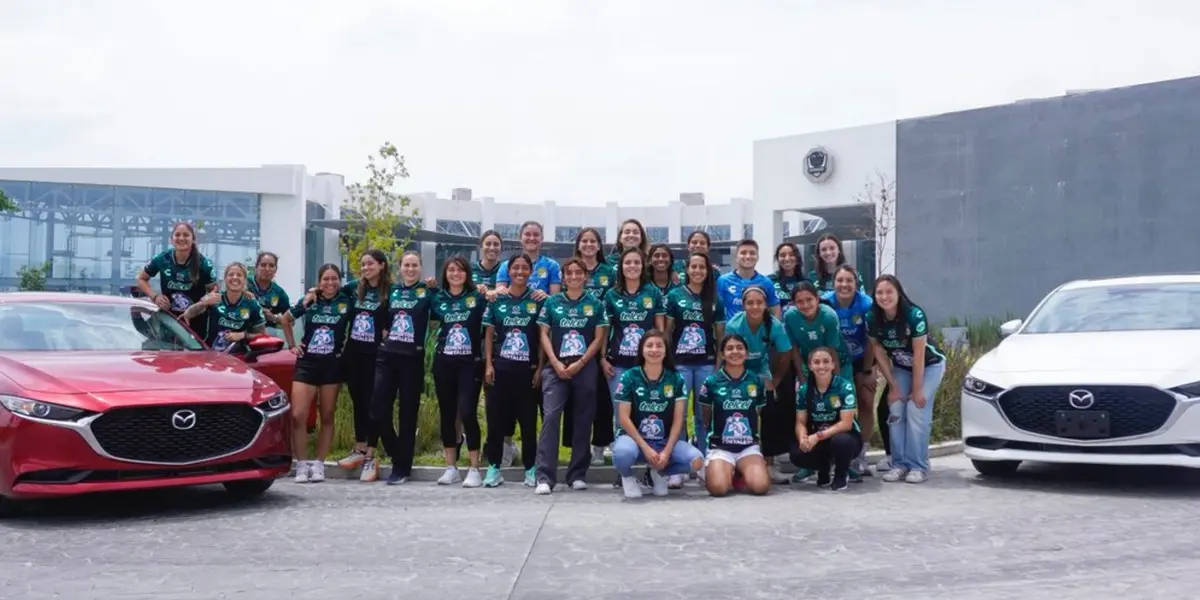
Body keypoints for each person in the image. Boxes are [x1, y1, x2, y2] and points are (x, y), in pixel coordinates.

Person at [303, 249, 392, 483]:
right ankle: (360, 448)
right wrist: (313, 291)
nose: (365, 268)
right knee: (358, 402)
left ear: (382, 265)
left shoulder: (390, 290)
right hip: (354, 353)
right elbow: (329, 290)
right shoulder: (354, 287)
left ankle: (372, 455)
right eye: (362, 265)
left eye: (370, 264)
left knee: (374, 403)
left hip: (377, 355)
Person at [535, 258, 607, 494]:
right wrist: (554, 362)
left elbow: (599, 337)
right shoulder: (553, 302)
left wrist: (582, 362)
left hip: (584, 367)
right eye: (570, 273)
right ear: (564, 278)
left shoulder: (595, 304)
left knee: (583, 419)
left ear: (585, 276)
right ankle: (545, 476)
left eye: (579, 272)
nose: (574, 276)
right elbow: (544, 334)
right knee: (551, 416)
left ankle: (577, 474)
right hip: (556, 368)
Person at [867, 275, 946, 484]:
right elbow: (878, 351)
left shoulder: (914, 314)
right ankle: (899, 463)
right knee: (895, 407)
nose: (884, 297)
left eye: (889, 291)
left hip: (929, 366)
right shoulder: (873, 317)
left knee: (916, 408)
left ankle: (919, 465)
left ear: (899, 293)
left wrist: (917, 389)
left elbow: (919, 355)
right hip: (901, 367)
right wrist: (892, 387)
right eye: (879, 293)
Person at [280, 264, 353, 483]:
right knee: (298, 415)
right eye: (325, 279)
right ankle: (302, 464)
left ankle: (319, 463)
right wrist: (292, 344)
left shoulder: (346, 301)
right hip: (307, 363)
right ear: (319, 281)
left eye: (334, 279)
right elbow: (285, 319)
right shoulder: (310, 300)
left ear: (340, 281)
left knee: (327, 415)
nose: (330, 283)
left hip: (332, 365)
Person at [612, 330, 704, 498]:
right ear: (641, 350)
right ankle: (627, 477)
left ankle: (659, 474)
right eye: (649, 345)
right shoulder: (629, 376)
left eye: (659, 346)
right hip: (635, 440)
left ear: (666, 350)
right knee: (622, 454)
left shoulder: (676, 378)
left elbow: (678, 420)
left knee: (697, 460)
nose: (654, 350)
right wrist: (646, 448)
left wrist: (666, 452)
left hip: (663, 441)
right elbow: (623, 418)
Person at [371, 251, 436, 485]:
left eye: (415, 265)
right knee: (378, 408)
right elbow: (379, 315)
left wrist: (435, 289)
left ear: (420, 267)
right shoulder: (392, 291)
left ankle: (402, 468)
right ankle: (397, 453)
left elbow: (441, 311)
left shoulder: (427, 292)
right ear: (399, 268)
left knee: (408, 414)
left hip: (412, 359)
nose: (410, 269)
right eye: (406, 265)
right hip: (387, 356)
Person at [481, 253, 542, 488]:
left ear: (530, 271)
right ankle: (494, 468)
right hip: (501, 369)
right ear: (508, 271)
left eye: (524, 268)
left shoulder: (537, 300)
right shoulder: (498, 299)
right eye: (515, 268)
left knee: (528, 422)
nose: (519, 272)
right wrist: (488, 364)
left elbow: (542, 337)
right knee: (496, 421)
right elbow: (488, 334)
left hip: (527, 371)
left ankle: (530, 468)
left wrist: (540, 368)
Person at [600, 248, 666, 463]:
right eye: (628, 262)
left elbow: (660, 329)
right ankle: (625, 465)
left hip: (648, 366)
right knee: (622, 417)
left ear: (643, 265)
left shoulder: (653, 292)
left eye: (636, 262)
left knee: (647, 414)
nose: (632, 266)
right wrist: (602, 357)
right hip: (619, 364)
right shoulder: (611, 294)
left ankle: (648, 463)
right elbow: (604, 328)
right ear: (621, 266)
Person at [429, 256, 488, 487]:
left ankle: (474, 468)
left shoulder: (477, 297)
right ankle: (451, 467)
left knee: (467, 412)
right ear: (445, 274)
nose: (455, 274)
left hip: (469, 363)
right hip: (444, 363)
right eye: (451, 270)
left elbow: (493, 307)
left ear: (467, 274)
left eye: (460, 270)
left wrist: (490, 291)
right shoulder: (438, 298)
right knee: (447, 414)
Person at [664, 251, 725, 461]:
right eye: (694, 267)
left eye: (702, 267)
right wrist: (668, 362)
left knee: (703, 414)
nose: (697, 271)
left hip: (705, 365)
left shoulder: (715, 299)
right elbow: (667, 333)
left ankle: (704, 458)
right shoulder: (675, 296)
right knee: (678, 415)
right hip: (680, 364)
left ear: (708, 271)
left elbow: (720, 337)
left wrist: (718, 365)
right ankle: (681, 461)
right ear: (687, 270)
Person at [821, 265, 878, 475]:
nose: (844, 285)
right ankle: (836, 454)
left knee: (865, 400)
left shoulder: (867, 304)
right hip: (835, 361)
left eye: (849, 281)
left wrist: (869, 370)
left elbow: (873, 341)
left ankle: (861, 453)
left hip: (862, 359)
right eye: (840, 280)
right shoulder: (826, 302)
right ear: (833, 283)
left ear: (856, 284)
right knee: (836, 404)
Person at [700, 334, 772, 497]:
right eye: (730, 348)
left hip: (747, 446)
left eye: (740, 348)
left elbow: (758, 412)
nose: (735, 352)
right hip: (721, 447)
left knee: (761, 487)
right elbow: (706, 415)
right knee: (718, 489)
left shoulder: (757, 381)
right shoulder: (711, 382)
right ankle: (721, 469)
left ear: (746, 354)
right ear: (722, 354)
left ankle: (741, 472)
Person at [569, 227, 617, 468]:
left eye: (593, 241)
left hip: (604, 335)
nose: (588, 244)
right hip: (573, 339)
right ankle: (576, 445)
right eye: (584, 241)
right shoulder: (571, 271)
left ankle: (600, 445)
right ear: (578, 245)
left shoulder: (610, 272)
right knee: (577, 398)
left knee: (601, 396)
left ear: (599, 246)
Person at [790, 346, 862, 491]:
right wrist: (803, 437)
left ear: (833, 364)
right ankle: (823, 468)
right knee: (796, 453)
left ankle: (841, 475)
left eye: (825, 361)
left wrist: (817, 436)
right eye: (816, 362)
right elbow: (800, 422)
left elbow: (846, 424)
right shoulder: (804, 390)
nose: (821, 366)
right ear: (810, 366)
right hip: (819, 437)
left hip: (845, 437)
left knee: (841, 441)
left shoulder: (844, 386)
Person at [136, 221, 218, 339]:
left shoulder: (205, 264)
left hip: (195, 321)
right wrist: (155, 296)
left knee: (191, 356)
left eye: (186, 235)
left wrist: (198, 306)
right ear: (171, 239)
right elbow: (141, 279)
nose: (181, 238)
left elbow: (214, 293)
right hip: (169, 319)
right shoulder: (162, 259)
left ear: (193, 239)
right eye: (177, 235)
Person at [180, 262, 266, 352]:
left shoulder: (252, 304)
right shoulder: (214, 298)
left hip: (238, 359)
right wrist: (203, 303)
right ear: (225, 278)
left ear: (245, 280)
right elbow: (188, 314)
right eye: (231, 274)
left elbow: (262, 335)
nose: (235, 277)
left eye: (239, 275)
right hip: (210, 357)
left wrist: (243, 335)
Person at [717, 239, 781, 321]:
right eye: (743, 253)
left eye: (752, 253)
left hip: (759, 333)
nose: (748, 256)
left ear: (758, 257)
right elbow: (717, 312)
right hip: (732, 332)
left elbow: (775, 311)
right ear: (736, 257)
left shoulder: (766, 282)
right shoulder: (723, 281)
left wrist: (772, 332)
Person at [494, 221, 561, 299]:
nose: (532, 238)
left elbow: (555, 300)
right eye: (527, 234)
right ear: (520, 238)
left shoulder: (552, 266)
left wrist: (546, 297)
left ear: (542, 239)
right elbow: (499, 296)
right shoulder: (506, 265)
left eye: (536, 235)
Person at [248, 251, 290, 330]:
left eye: (271, 266)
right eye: (263, 265)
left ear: (276, 270)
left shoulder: (279, 293)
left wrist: (274, 318)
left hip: (266, 333)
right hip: (242, 331)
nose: (267, 269)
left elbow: (291, 321)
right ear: (256, 267)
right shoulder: (245, 284)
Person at [768, 242, 804, 309]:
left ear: (797, 258)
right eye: (782, 255)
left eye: (791, 255)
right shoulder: (769, 281)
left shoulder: (805, 282)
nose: (787, 259)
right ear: (777, 259)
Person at [473, 230, 504, 299]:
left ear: (501, 248)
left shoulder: (506, 270)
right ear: (481, 247)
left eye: (496, 244)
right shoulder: (469, 269)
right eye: (488, 244)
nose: (492, 248)